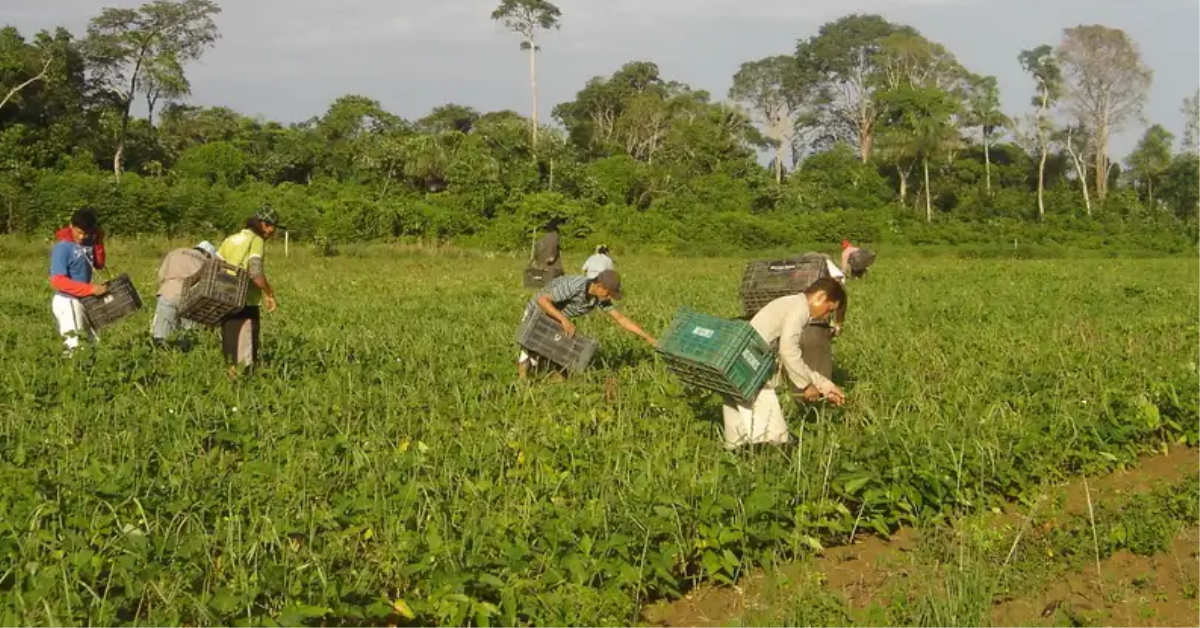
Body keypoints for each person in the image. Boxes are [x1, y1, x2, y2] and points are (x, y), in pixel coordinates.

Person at [722, 278, 847, 449]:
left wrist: (825, 385)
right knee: (775, 436)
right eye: (828, 310)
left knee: (738, 428)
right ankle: (766, 460)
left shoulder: (791, 302)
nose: (825, 316)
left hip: (736, 361)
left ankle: (736, 457)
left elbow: (791, 356)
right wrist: (805, 385)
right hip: (751, 366)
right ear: (820, 297)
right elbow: (788, 350)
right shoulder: (800, 309)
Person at [518, 269, 656, 379]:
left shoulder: (598, 297)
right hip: (537, 312)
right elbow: (542, 300)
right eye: (609, 293)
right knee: (530, 347)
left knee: (555, 348)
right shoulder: (574, 285)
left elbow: (620, 318)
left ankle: (553, 378)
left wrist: (647, 337)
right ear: (600, 286)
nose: (609, 297)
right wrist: (564, 320)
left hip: (556, 317)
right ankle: (522, 381)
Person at [216, 206, 280, 377]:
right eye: (272, 226)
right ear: (263, 224)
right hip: (245, 300)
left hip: (226, 296)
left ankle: (231, 381)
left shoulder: (230, 239)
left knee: (231, 344)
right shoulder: (256, 240)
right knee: (245, 348)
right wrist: (269, 293)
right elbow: (255, 272)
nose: (272, 231)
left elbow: (215, 266)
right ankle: (243, 386)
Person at [49, 208, 108, 353]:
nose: (82, 237)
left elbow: (99, 264)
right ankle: (71, 372)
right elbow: (58, 281)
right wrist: (91, 289)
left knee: (94, 341)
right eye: (79, 232)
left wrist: (99, 241)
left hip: (84, 299)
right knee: (74, 344)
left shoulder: (88, 243)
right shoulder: (62, 248)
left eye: (86, 233)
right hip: (67, 299)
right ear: (71, 226)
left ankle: (90, 372)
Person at [151, 241, 216, 344]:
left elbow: (161, 275)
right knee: (189, 335)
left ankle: (159, 354)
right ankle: (186, 354)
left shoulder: (175, 252)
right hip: (190, 297)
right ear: (208, 254)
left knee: (161, 334)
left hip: (168, 292)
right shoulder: (206, 261)